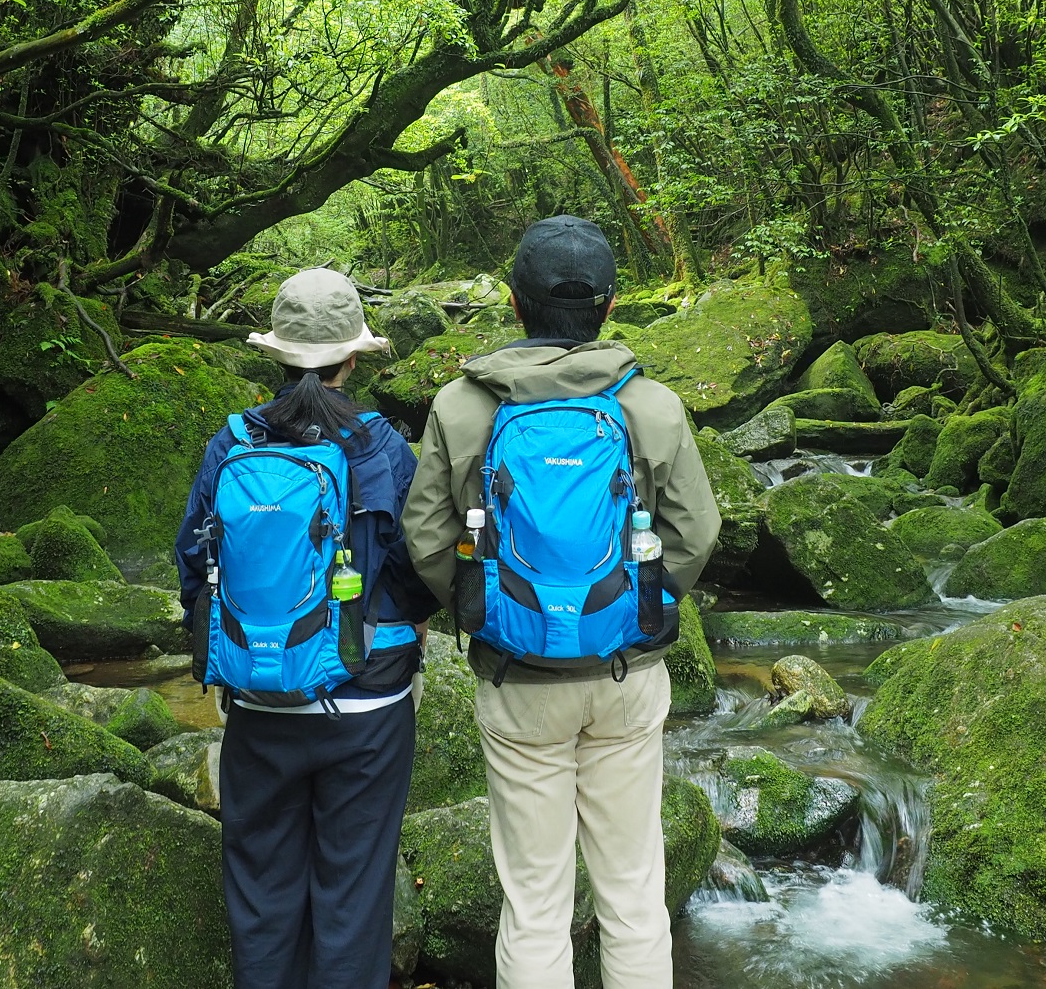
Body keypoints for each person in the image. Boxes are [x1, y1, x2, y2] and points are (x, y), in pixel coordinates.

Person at [402, 216, 721, 989]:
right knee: (633, 892)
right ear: (609, 305)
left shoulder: (460, 407)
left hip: (516, 680)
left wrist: (485, 608)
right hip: (625, 673)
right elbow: (696, 531)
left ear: (515, 302)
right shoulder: (651, 406)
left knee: (535, 903)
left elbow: (425, 536)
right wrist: (638, 604)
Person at [175, 268, 436, 989]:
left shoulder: (232, 442)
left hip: (260, 701)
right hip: (369, 705)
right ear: (354, 357)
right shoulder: (383, 447)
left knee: (262, 898)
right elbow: (419, 569)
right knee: (353, 898)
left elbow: (194, 566)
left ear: (277, 353)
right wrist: (409, 625)